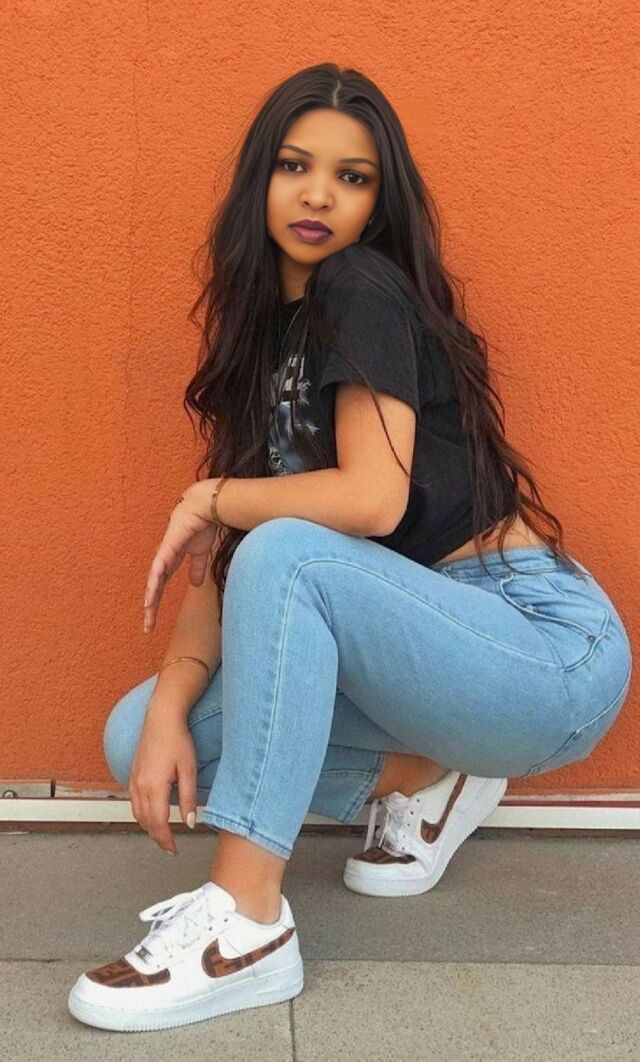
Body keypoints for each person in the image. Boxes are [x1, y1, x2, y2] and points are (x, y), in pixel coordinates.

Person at [68, 63, 633, 1033]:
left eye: (352, 176)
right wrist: (167, 703)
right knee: (140, 737)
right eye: (295, 166)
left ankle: (247, 926)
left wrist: (211, 495)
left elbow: (371, 500)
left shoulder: (358, 285)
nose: (319, 194)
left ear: (378, 202)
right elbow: (230, 556)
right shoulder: (265, 343)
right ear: (261, 180)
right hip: (422, 674)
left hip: (539, 648)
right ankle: (433, 774)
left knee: (290, 549)